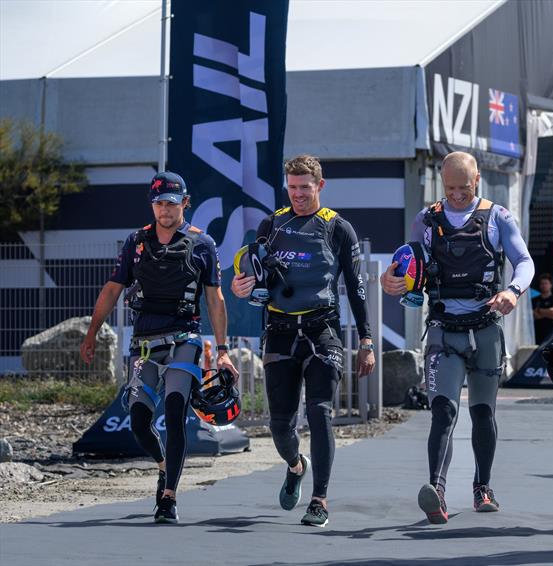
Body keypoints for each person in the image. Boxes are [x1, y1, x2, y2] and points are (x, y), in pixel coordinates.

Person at [380, 151, 534, 524]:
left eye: (463, 188)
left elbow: (525, 261)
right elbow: (407, 265)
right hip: (444, 330)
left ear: (476, 179)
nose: (456, 195)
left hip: (485, 329)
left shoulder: (497, 217)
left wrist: (513, 290)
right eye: (449, 188)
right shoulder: (427, 220)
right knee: (443, 411)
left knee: (483, 413)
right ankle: (437, 490)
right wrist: (391, 280)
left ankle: (483, 486)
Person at [80, 171, 238, 524]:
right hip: (145, 343)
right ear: (152, 205)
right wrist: (92, 332)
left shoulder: (203, 244)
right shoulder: (135, 242)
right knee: (139, 422)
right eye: (159, 203)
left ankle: (168, 497)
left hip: (185, 338)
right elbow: (111, 290)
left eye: (171, 202)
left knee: (176, 406)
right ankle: (165, 467)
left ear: (184, 203)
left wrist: (223, 348)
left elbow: (215, 298)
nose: (164, 209)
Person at [231, 154, 375, 527]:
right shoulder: (271, 225)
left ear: (320, 186)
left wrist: (367, 340)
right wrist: (241, 286)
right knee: (280, 426)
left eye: (304, 188)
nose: (297, 194)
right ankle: (296, 466)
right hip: (279, 332)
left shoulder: (338, 228)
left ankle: (320, 499)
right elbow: (252, 275)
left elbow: (357, 290)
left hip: (321, 331)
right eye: (292, 188)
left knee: (320, 412)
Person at [532, 273, 553, 344]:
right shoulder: (535, 300)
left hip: (551, 332)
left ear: (551, 285)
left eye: (546, 283)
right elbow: (535, 315)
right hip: (537, 332)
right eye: (542, 284)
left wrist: (539, 310)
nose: (544, 286)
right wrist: (548, 312)